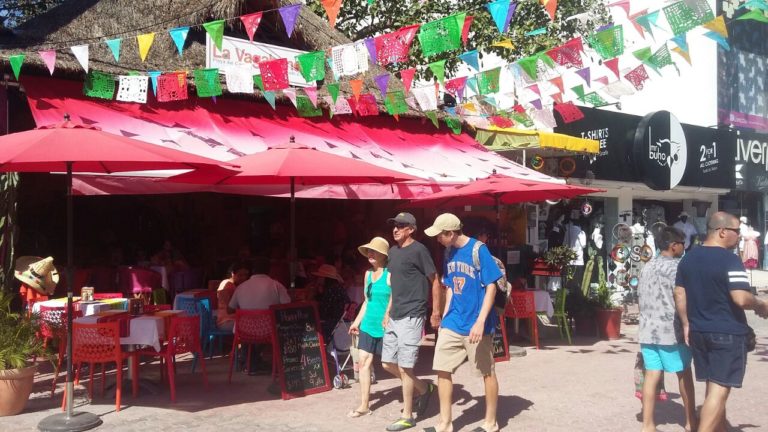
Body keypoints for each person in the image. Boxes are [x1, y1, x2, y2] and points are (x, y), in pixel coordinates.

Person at [674, 211, 768, 432]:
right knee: (719, 390)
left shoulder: (688, 258)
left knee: (712, 385)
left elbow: (679, 293)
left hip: (698, 332)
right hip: (727, 332)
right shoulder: (730, 259)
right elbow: (741, 297)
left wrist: (687, 324)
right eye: (737, 231)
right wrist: (761, 304)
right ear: (722, 231)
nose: (739, 236)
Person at [423, 213, 502, 432]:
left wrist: (480, 321)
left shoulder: (479, 250)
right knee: (442, 368)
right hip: (453, 322)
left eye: (439, 235)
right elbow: (449, 287)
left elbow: (491, 287)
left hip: (477, 324)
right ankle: (445, 423)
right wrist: (445, 317)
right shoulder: (448, 252)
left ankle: (490, 422)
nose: (437, 239)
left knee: (487, 371)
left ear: (450, 233)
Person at [382, 212, 439, 431]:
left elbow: (435, 280)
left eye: (401, 226)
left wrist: (435, 311)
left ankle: (407, 416)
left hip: (413, 314)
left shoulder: (419, 250)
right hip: (395, 314)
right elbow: (395, 286)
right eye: (394, 225)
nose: (395, 229)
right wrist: (387, 311)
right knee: (388, 363)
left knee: (405, 367)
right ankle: (424, 389)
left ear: (411, 229)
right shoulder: (393, 252)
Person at [637, 227, 696, 432]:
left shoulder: (646, 267)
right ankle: (690, 421)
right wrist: (687, 323)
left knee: (651, 375)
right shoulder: (678, 267)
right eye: (682, 243)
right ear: (673, 245)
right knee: (684, 373)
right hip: (671, 330)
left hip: (647, 329)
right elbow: (681, 296)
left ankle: (648, 424)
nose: (684, 246)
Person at [347, 237, 392, 418]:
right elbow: (367, 301)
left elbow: (393, 299)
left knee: (391, 365)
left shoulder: (390, 274)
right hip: (368, 325)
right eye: (369, 251)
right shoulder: (367, 274)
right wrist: (356, 322)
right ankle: (364, 404)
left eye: (374, 251)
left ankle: (419, 387)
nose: (370, 254)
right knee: (364, 362)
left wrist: (388, 314)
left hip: (385, 326)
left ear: (383, 255)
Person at [312, 263, 350, 341]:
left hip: (330, 325)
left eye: (320, 277)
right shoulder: (338, 288)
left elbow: (322, 311)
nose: (318, 278)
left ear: (325, 278)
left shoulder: (330, 290)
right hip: (340, 324)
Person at [216, 261, 250, 331]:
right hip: (227, 321)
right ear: (232, 274)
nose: (243, 278)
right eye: (240, 275)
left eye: (245, 275)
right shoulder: (229, 285)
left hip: (230, 320)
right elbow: (233, 308)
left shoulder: (230, 284)